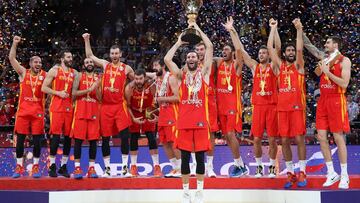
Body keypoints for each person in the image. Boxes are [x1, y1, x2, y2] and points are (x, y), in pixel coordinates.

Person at [164, 22, 213, 203]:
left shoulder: (204, 73)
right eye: (189, 57)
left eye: (194, 56)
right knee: (185, 158)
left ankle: (199, 191)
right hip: (184, 122)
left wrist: (198, 29)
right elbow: (167, 60)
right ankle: (185, 192)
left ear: (197, 60)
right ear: (186, 61)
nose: (192, 58)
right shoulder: (180, 76)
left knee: (200, 157)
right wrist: (178, 43)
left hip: (200, 121)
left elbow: (209, 46)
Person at [303, 32, 352, 189]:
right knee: (321, 136)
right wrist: (300, 31)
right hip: (323, 101)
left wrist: (327, 72)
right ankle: (331, 173)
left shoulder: (344, 61)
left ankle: (344, 175)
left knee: (338, 137)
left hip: (337, 100)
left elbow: (344, 84)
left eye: (328, 43)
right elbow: (310, 47)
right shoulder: (324, 58)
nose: (325, 45)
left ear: (335, 45)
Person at [232, 15, 280, 178]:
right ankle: (259, 168)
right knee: (257, 139)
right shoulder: (255, 67)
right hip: (258, 107)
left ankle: (273, 168)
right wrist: (233, 31)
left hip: (272, 107)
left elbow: (276, 50)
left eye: (264, 52)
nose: (261, 54)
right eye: (259, 53)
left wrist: (273, 29)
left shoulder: (274, 66)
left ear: (268, 55)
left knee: (272, 140)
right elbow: (241, 51)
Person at [83, 33, 134, 177]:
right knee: (105, 138)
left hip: (119, 106)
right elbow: (90, 55)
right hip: (105, 106)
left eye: (116, 53)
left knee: (124, 136)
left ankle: (125, 168)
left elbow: (135, 80)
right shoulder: (105, 65)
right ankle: (107, 169)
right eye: (112, 53)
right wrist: (86, 40)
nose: (114, 55)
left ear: (121, 54)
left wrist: (128, 88)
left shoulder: (126, 68)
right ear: (110, 54)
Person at [267, 18, 307, 188]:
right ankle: (290, 173)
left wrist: (299, 29)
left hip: (297, 109)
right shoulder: (279, 67)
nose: (291, 52)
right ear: (284, 53)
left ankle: (303, 171)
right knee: (284, 141)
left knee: (299, 139)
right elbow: (270, 48)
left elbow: (299, 48)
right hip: (282, 110)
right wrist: (273, 29)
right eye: (288, 50)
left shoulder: (299, 66)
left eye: (292, 50)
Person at [9, 36, 46, 178]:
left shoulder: (45, 75)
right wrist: (15, 43)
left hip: (37, 113)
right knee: (20, 141)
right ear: (30, 63)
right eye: (36, 62)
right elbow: (12, 59)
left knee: (37, 142)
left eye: (40, 62)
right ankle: (19, 166)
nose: (38, 64)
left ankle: (36, 166)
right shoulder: (23, 73)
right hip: (23, 113)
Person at [217, 17, 248, 177]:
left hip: (232, 106)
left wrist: (232, 31)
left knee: (230, 134)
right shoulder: (219, 64)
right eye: (223, 50)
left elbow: (239, 51)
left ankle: (240, 165)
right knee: (227, 137)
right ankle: (240, 165)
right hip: (220, 107)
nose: (224, 52)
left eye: (227, 50)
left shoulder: (236, 65)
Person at [42, 50, 78, 178]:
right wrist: (58, 93)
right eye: (68, 57)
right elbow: (43, 87)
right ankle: (52, 166)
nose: (70, 58)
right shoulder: (54, 70)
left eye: (71, 57)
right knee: (56, 137)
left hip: (69, 108)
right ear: (62, 58)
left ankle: (63, 166)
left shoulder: (74, 73)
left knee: (68, 138)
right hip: (56, 107)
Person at [124, 69, 162, 177]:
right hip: (134, 112)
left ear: (144, 78)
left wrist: (156, 115)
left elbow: (157, 76)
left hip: (148, 111)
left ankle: (156, 166)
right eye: (136, 78)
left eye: (140, 78)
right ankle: (133, 166)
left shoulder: (151, 86)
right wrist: (133, 118)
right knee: (133, 138)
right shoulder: (129, 88)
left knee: (152, 138)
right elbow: (127, 106)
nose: (138, 81)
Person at [71, 58, 102, 179]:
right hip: (81, 112)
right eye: (87, 62)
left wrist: (97, 88)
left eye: (91, 62)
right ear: (84, 65)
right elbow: (74, 93)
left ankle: (91, 168)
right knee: (78, 141)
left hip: (93, 112)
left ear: (94, 64)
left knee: (93, 141)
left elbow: (99, 98)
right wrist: (88, 90)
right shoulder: (79, 76)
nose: (89, 64)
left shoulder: (98, 79)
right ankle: (77, 168)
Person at [153, 58, 181, 178]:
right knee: (164, 142)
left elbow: (177, 97)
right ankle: (174, 168)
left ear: (163, 66)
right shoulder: (157, 79)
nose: (154, 68)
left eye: (156, 65)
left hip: (172, 113)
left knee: (174, 142)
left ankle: (181, 168)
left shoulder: (171, 78)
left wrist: (162, 99)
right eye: (153, 66)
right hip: (162, 115)